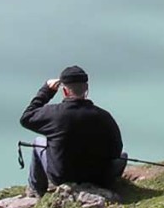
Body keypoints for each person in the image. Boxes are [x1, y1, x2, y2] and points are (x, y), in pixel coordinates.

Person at [19, 65, 127, 196]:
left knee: (38, 141)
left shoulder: (53, 114)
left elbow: (26, 118)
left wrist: (46, 91)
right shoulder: (104, 116)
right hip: (100, 179)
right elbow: (116, 149)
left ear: (64, 91)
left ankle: (36, 190)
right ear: (86, 89)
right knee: (123, 156)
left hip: (62, 177)